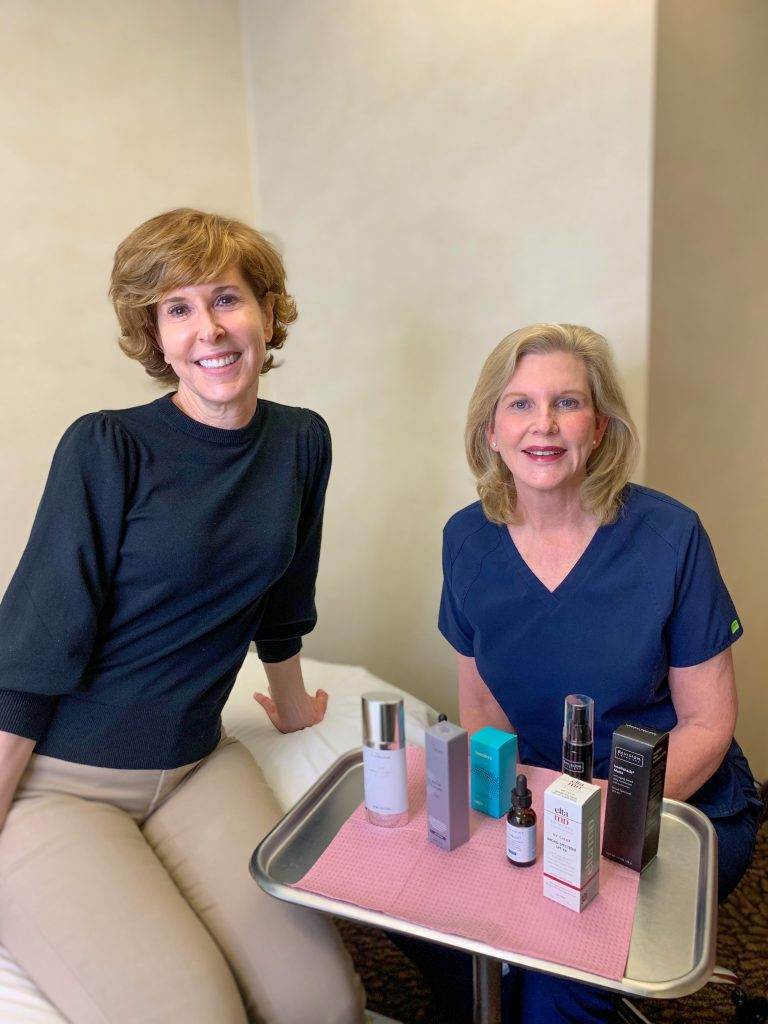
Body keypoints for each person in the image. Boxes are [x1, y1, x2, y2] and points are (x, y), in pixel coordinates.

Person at [0, 209, 366, 1024]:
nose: (209, 328)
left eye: (228, 299)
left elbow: (283, 594)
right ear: (155, 338)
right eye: (178, 309)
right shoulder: (106, 447)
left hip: (198, 765)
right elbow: (35, 641)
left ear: (267, 314)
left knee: (324, 1005)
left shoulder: (301, 441)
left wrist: (295, 699)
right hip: (60, 786)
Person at [419, 323, 761, 1024]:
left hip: (675, 805)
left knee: (561, 978)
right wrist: (526, 809)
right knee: (436, 926)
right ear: (490, 429)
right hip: (541, 801)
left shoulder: (670, 538)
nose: (542, 425)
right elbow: (480, 703)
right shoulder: (466, 539)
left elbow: (708, 724)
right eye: (518, 405)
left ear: (599, 427)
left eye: (566, 403)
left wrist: (600, 822)